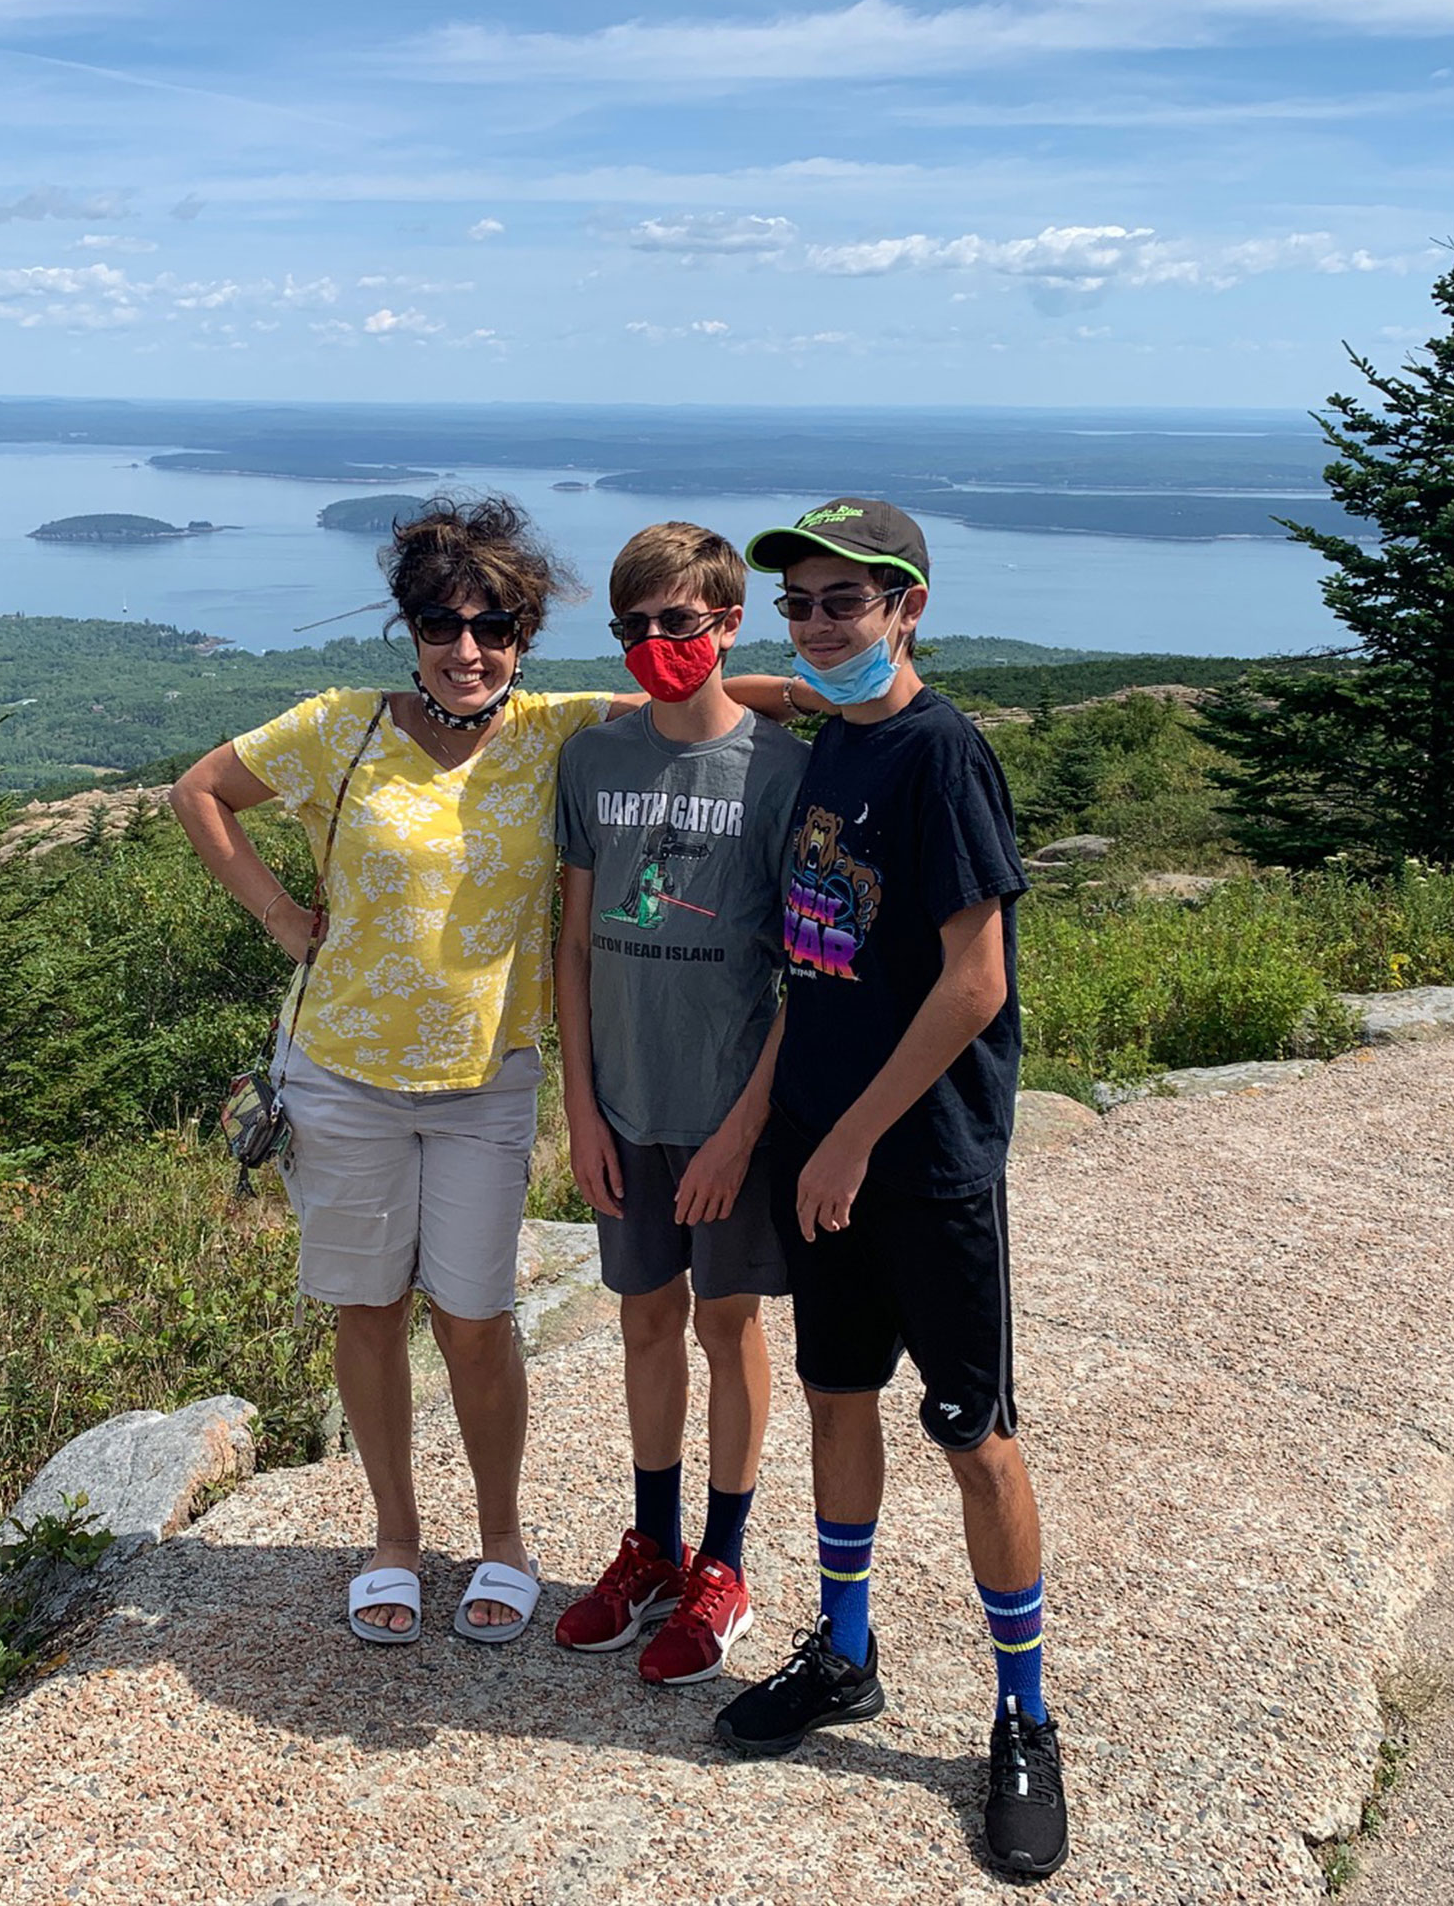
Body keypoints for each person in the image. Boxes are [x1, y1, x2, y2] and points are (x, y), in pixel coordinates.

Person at [169, 494, 798, 1648]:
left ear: (524, 636)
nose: (469, 651)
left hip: (484, 1082)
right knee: (369, 1312)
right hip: (341, 1074)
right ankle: (396, 1540)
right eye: (443, 626)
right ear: (409, 631)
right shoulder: (337, 728)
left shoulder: (557, 730)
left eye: (496, 627)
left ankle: (502, 1539)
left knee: (476, 1316)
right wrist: (278, 915)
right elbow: (198, 791)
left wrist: (829, 697)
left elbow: (693, 699)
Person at [706, 499, 1070, 1882]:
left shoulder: (942, 756)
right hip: (823, 1145)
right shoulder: (835, 740)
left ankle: (1025, 1714)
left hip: (919, 1162)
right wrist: (768, 678)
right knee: (836, 1397)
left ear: (911, 605)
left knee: (975, 1437)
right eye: (797, 601)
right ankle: (846, 1651)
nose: (817, 623)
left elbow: (974, 981)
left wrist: (852, 1137)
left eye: (847, 602)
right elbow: (821, 963)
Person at [549, 522, 807, 1685]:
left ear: (726, 623)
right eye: (635, 627)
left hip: (727, 1110)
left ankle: (725, 1565)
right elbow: (572, 947)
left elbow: (809, 974)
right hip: (625, 1103)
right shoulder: (593, 761)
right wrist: (583, 1111)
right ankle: (651, 1547)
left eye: (681, 624)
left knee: (728, 1322)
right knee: (644, 1317)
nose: (658, 644)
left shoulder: (786, 774)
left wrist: (744, 1128)